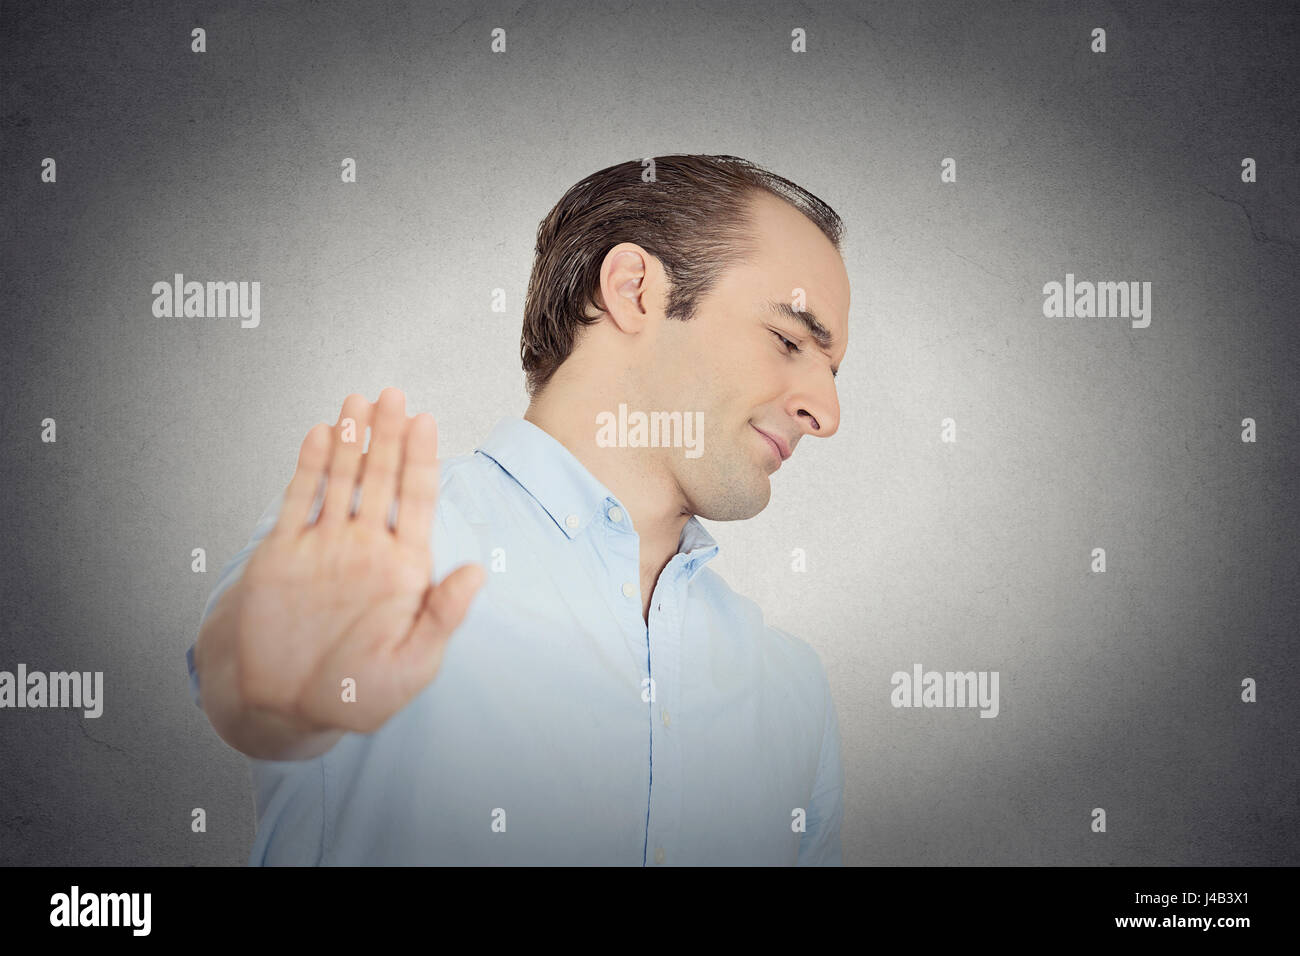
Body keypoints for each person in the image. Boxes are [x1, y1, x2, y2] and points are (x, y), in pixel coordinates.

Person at [187, 154, 851, 865]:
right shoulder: (385, 538)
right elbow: (249, 679)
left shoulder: (792, 692)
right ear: (633, 291)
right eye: (788, 340)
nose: (828, 413)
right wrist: (284, 690)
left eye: (831, 370)